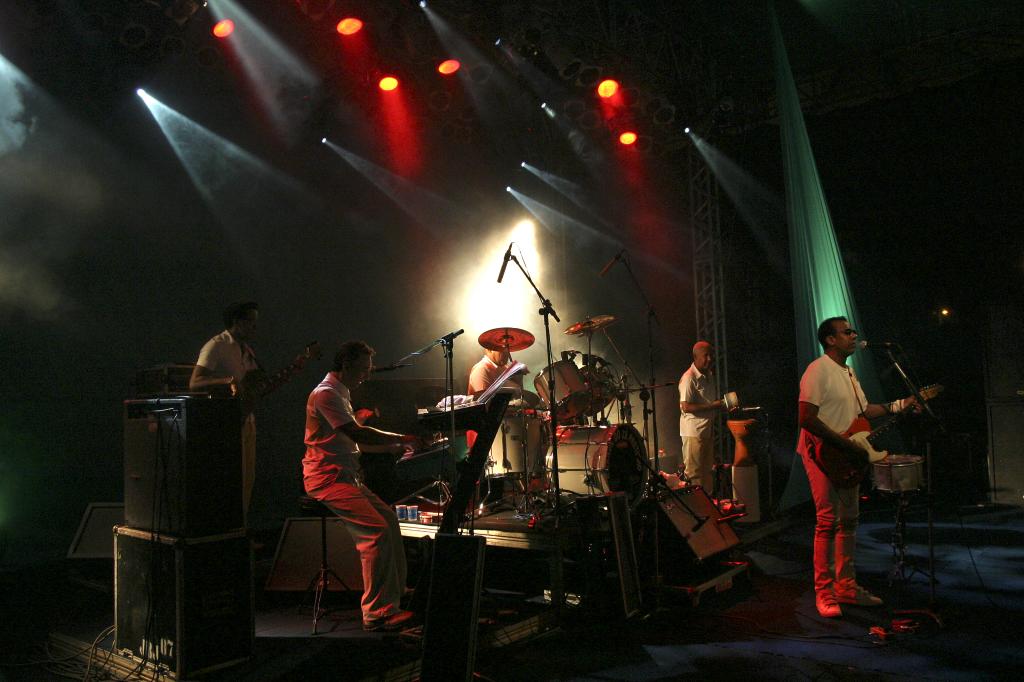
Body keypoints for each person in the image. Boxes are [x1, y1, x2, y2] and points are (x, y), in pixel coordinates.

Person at [798, 316, 916, 618]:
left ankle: (846, 586)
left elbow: (865, 411)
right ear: (830, 340)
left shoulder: (849, 372)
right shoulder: (817, 370)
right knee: (827, 521)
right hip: (821, 453)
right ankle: (825, 592)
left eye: (852, 330)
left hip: (845, 455)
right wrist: (845, 444)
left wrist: (899, 405)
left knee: (849, 520)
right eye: (846, 331)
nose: (853, 335)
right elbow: (806, 418)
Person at [302, 340, 421, 632]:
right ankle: (377, 613)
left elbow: (349, 442)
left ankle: (396, 591)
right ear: (346, 365)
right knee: (376, 532)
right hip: (326, 479)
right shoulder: (326, 394)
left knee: (389, 519)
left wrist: (393, 447)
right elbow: (356, 433)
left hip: (344, 476)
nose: (367, 375)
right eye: (363, 369)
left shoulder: (341, 392)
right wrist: (402, 438)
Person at [189, 301, 260, 516]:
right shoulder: (216, 346)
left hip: (246, 419)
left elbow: (252, 383)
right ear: (237, 322)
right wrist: (227, 380)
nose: (255, 327)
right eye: (251, 321)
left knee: (247, 479)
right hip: (224, 423)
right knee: (231, 480)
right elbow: (194, 383)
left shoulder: (246, 350)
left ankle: (241, 526)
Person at [678, 341, 730, 492]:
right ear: (695, 357)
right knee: (694, 474)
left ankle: (708, 503)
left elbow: (708, 403)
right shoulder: (689, 377)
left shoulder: (709, 375)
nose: (710, 359)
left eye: (711, 355)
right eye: (706, 355)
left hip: (706, 430)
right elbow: (685, 406)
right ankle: (697, 506)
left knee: (707, 472)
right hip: (693, 432)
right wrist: (713, 405)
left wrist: (723, 406)